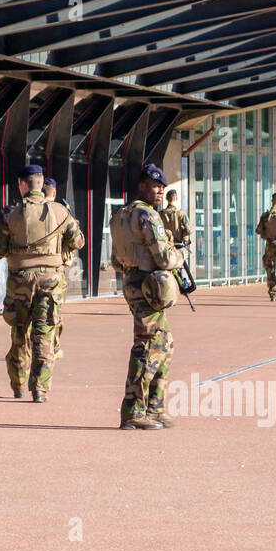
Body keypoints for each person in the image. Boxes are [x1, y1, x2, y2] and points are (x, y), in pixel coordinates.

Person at [0, 165, 84, 402]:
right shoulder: (60, 212)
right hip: (50, 281)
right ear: (40, 184)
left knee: (19, 332)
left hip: (20, 280)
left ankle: (18, 385)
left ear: (22, 184)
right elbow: (79, 241)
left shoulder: (8, 213)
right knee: (44, 332)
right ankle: (40, 389)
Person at [110, 163, 186, 430]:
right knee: (147, 347)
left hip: (134, 283)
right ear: (142, 185)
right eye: (156, 186)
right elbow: (165, 258)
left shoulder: (119, 215)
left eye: (163, 187)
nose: (160, 190)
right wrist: (181, 256)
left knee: (165, 345)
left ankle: (155, 407)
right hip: (148, 286)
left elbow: (115, 261)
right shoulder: (148, 216)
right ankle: (132, 411)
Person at [41, 177, 80, 362]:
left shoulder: (24, 210)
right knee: (53, 312)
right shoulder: (62, 213)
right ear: (54, 193)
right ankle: (53, 347)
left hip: (27, 271)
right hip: (55, 271)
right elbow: (78, 241)